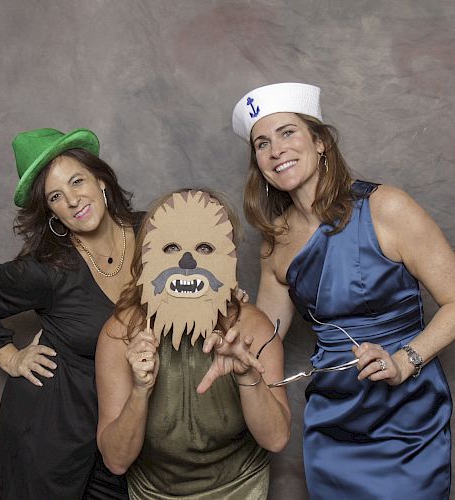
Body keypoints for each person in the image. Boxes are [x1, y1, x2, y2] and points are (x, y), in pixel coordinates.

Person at [231, 83, 454, 499]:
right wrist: (233, 319)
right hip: (332, 421)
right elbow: (265, 337)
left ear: (319, 142)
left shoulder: (387, 207)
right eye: (262, 143)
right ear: (258, 163)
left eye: (287, 133)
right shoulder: (275, 241)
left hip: (406, 418)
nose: (276, 149)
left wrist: (407, 360)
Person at [0, 128, 144, 499]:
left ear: (101, 180)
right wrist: (9, 356)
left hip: (126, 425)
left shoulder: (153, 233)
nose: (73, 201)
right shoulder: (46, 269)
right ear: (51, 211)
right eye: (56, 196)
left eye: (78, 181)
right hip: (52, 430)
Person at [96, 189, 290, 500]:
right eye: (171, 247)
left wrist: (247, 376)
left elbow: (277, 439)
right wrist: (139, 389)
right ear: (147, 257)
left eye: (204, 247)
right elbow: (116, 461)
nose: (187, 262)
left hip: (240, 489)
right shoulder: (120, 334)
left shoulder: (251, 327)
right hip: (155, 493)